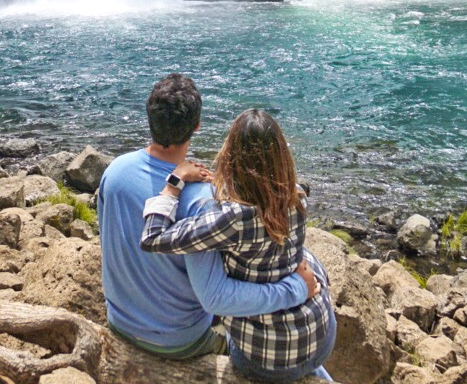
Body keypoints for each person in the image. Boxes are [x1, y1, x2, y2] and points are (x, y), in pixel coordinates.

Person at [95, 74, 319, 359]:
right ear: (197, 126)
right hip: (179, 340)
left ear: (149, 117)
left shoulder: (114, 171)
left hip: (121, 323)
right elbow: (215, 295)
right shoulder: (202, 201)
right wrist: (296, 288)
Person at [138, 108, 336, 382]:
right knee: (304, 257)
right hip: (322, 337)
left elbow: (153, 239)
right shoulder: (297, 196)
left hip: (265, 361)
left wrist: (174, 184)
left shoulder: (230, 219)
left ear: (231, 156)